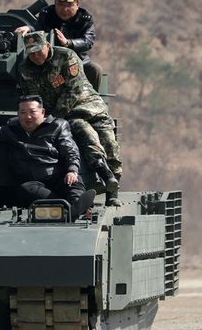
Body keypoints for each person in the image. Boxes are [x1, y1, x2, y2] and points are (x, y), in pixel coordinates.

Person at [17, 31, 123, 206]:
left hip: (87, 106)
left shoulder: (66, 56)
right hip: (69, 117)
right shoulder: (25, 69)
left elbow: (73, 90)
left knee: (110, 143)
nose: (35, 56)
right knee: (87, 134)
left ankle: (113, 190)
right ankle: (106, 176)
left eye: (38, 50)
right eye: (31, 52)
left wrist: (52, 119)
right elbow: (33, 98)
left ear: (47, 46)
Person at [0, 95, 96, 217]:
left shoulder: (58, 126)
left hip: (57, 176)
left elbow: (70, 149)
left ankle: (75, 206)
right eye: (22, 112)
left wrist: (72, 169)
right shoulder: (11, 130)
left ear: (42, 112)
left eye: (32, 111)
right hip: (34, 183)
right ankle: (68, 210)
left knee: (74, 183)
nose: (27, 116)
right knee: (27, 189)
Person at [14, 0, 103, 91]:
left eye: (69, 5)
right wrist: (28, 28)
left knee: (95, 70)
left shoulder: (84, 19)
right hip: (50, 64)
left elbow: (88, 41)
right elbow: (37, 26)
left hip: (78, 63)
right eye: (60, 4)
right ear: (55, 3)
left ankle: (91, 103)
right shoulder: (47, 14)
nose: (64, 9)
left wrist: (68, 43)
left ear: (77, 4)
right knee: (54, 81)